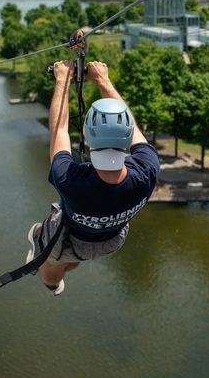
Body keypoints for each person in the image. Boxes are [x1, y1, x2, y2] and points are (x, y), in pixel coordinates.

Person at [24, 60, 160, 296]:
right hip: (111, 240)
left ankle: (52, 284)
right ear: (128, 136)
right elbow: (133, 128)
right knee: (77, 256)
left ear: (86, 134)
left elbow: (59, 130)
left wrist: (62, 80)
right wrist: (103, 80)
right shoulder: (147, 170)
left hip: (69, 239)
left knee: (52, 263)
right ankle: (69, 261)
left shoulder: (70, 180)